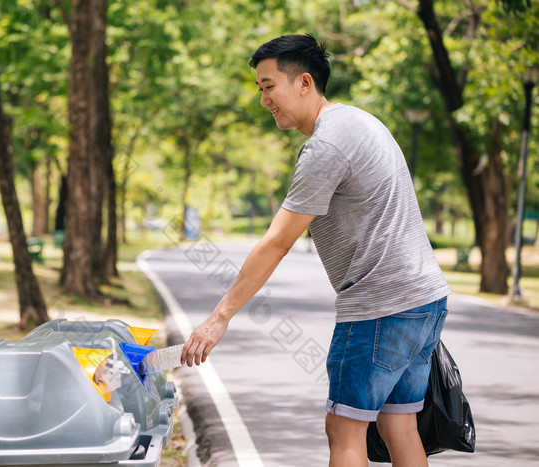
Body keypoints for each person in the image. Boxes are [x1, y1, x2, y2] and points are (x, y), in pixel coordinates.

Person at [180, 34, 451, 467]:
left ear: (304, 82)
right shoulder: (360, 122)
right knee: (398, 425)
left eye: (270, 87)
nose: (264, 99)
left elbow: (277, 242)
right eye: (260, 89)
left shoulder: (326, 145)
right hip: (424, 300)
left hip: (379, 307)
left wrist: (219, 318)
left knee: (342, 429)